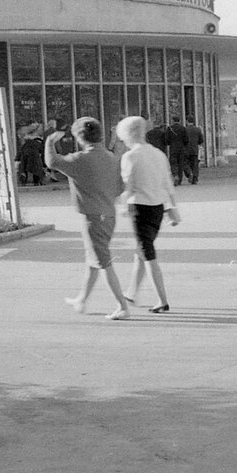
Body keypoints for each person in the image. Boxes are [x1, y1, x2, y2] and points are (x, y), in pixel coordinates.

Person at [44, 117, 131, 320]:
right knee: (94, 259)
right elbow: (120, 187)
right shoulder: (111, 158)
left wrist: (50, 142)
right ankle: (82, 299)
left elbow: (52, 162)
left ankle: (123, 305)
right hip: (109, 214)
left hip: (92, 218)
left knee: (103, 262)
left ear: (81, 138)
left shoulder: (79, 160)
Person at [117, 116, 180, 313]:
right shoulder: (158, 154)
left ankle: (162, 300)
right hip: (157, 208)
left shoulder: (130, 157)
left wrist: (123, 204)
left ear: (127, 135)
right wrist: (173, 208)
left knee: (147, 252)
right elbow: (167, 183)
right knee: (142, 250)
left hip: (140, 207)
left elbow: (127, 185)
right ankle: (132, 292)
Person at [164, 118, 189, 185]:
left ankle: (175, 175)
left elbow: (166, 140)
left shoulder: (170, 128)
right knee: (180, 163)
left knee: (173, 162)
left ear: (173, 121)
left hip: (173, 148)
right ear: (179, 121)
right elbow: (186, 139)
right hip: (181, 148)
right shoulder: (183, 128)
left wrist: (170, 143)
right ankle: (180, 179)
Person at [184, 116, 204, 185]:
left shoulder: (185, 129)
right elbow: (201, 140)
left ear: (187, 121)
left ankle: (189, 173)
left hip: (186, 149)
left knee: (185, 163)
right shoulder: (197, 129)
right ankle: (195, 179)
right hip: (194, 149)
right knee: (195, 164)